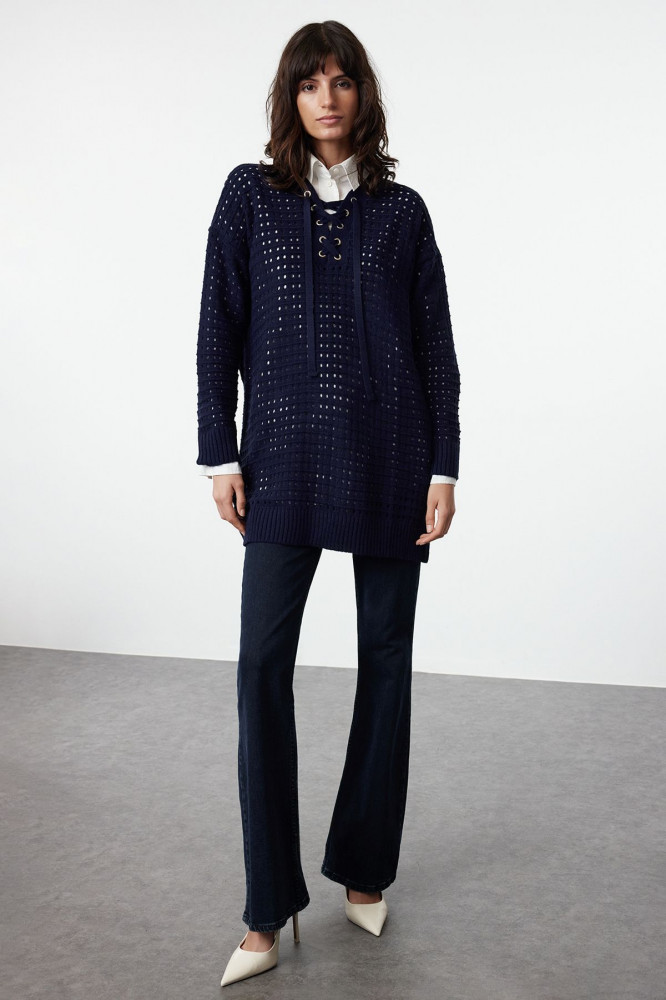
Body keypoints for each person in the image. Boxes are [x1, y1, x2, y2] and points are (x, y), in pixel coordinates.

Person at [195, 20, 461, 989]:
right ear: (290, 98)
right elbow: (216, 328)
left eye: (343, 81)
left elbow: (436, 348)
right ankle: (267, 907)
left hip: (391, 461)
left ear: (363, 95)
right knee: (262, 666)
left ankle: (363, 867)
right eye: (310, 83)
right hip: (282, 463)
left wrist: (444, 469)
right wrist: (220, 452)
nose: (328, 99)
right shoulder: (250, 196)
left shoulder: (403, 212)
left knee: (386, 661)